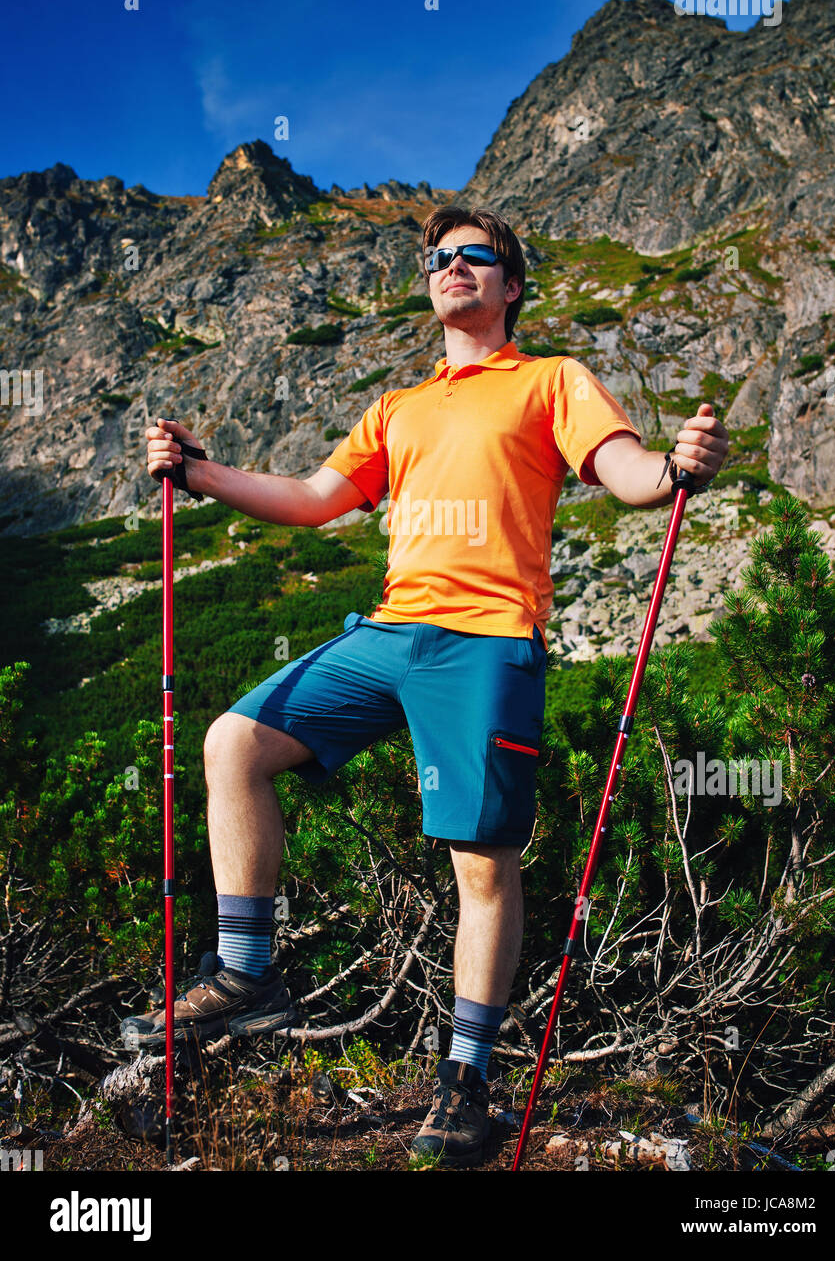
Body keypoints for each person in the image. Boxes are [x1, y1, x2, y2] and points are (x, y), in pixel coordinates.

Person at [124, 205, 729, 1167]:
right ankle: (249, 975)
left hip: (486, 643)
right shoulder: (399, 406)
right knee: (233, 742)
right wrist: (199, 474)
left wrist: (674, 467)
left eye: (474, 256)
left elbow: (625, 472)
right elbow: (317, 502)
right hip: (391, 632)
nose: (452, 268)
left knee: (482, 866)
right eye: (439, 258)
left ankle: (466, 1081)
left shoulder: (551, 380)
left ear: (511, 283)